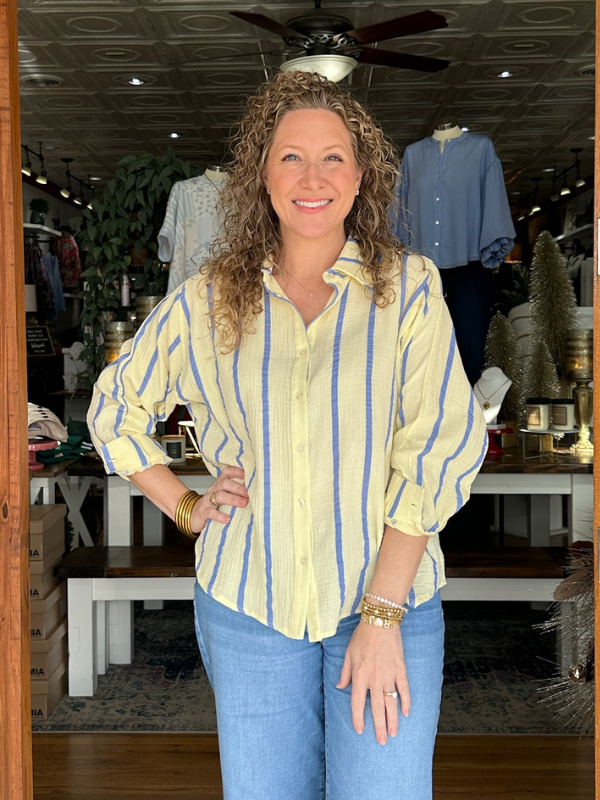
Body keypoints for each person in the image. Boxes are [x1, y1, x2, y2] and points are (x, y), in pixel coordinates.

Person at [88, 71, 487, 800]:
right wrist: (185, 505)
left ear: (361, 177)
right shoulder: (207, 299)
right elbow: (114, 408)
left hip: (385, 602)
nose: (312, 177)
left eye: (333, 157)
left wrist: (381, 615)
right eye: (291, 157)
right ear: (262, 176)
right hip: (250, 608)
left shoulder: (411, 290)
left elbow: (438, 451)